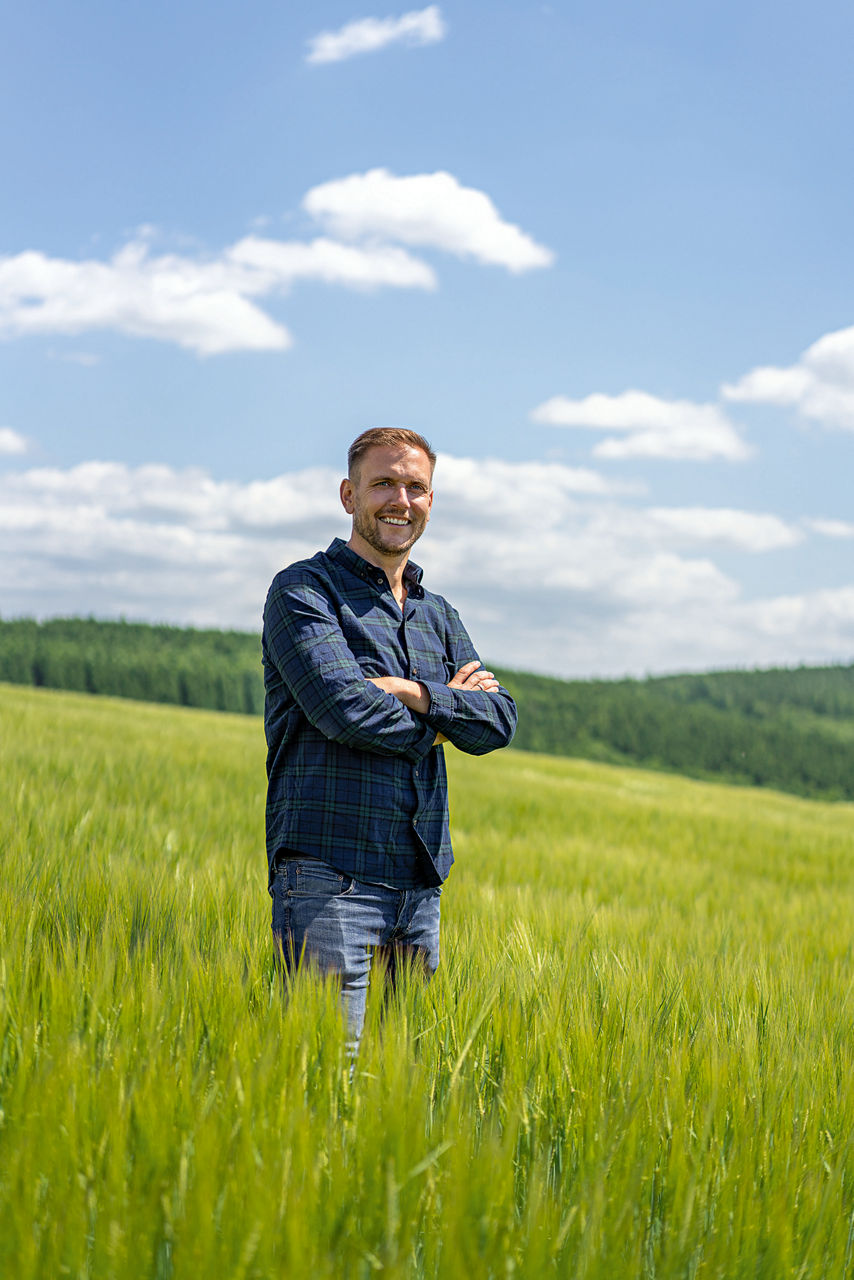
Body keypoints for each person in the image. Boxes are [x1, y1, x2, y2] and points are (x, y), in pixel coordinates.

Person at [262, 427, 517, 1053]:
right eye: (383, 484)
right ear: (349, 495)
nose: (399, 500)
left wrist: (410, 692)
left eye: (415, 486)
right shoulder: (303, 592)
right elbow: (345, 711)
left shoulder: (440, 614)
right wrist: (447, 718)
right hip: (330, 879)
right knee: (324, 1083)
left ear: (431, 500)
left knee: (396, 1086)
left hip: (419, 887)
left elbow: (500, 721)